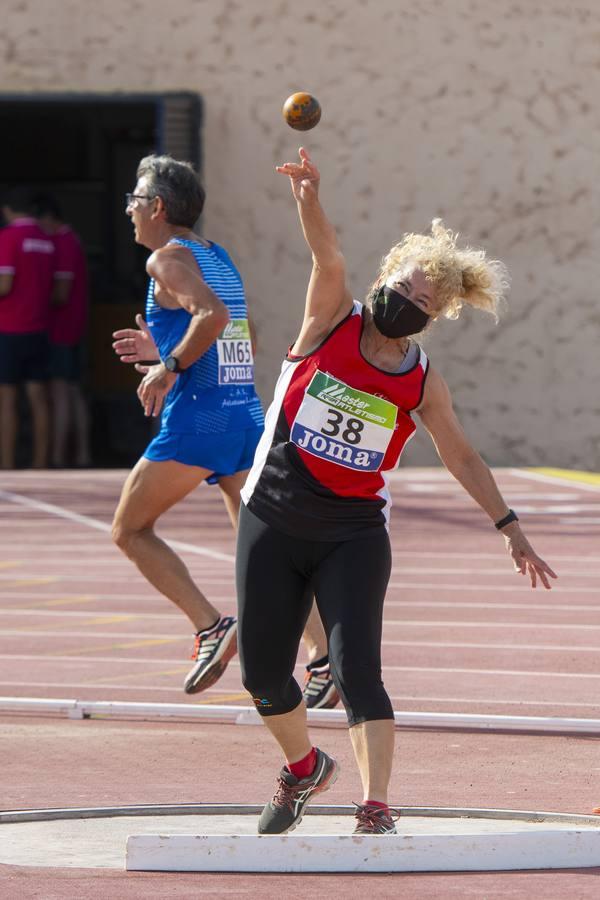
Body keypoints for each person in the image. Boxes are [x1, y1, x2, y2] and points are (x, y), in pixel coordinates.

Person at [235, 147, 558, 836]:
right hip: (274, 516)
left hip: (352, 535)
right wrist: (308, 197)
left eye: (422, 303)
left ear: (434, 317)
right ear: (384, 276)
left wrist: (509, 527)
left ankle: (375, 803)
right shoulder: (332, 318)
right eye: (403, 288)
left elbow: (460, 454)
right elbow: (326, 256)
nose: (406, 304)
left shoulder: (419, 380)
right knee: (262, 676)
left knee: (359, 671)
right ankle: (303, 767)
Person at [111, 155, 337, 703]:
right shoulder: (216, 255)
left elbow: (210, 317)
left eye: (134, 200)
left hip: (200, 421)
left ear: (157, 207)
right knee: (261, 546)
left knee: (130, 530)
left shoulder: (165, 260)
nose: (129, 210)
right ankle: (324, 658)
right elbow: (243, 332)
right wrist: (167, 346)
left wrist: (170, 365)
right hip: (244, 416)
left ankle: (210, 626)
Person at [33, 193, 91, 468]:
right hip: (71, 327)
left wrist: (34, 300)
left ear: (48, 218)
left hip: (63, 328)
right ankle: (81, 453)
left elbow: (61, 293)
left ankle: (59, 455)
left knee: (61, 391)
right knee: (72, 391)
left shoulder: (64, 242)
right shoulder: (71, 240)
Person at [0, 187, 55, 469]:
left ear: (7, 210)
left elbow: (4, 285)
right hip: (39, 328)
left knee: (7, 399)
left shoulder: (7, 238)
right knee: (39, 399)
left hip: (9, 329)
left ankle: (7, 465)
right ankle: (40, 462)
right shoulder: (47, 240)